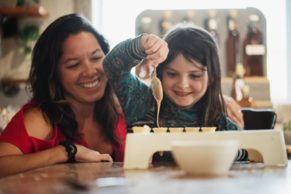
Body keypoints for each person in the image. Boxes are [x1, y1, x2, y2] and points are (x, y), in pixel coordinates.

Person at [0, 14, 127, 177]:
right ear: (53, 74)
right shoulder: (41, 119)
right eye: (74, 65)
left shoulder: (119, 110)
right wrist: (66, 152)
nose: (90, 71)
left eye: (96, 58)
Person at [104, 24, 241, 131]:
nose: (183, 84)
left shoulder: (219, 122)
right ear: (161, 73)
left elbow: (246, 152)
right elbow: (112, 66)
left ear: (211, 77)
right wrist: (141, 44)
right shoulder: (141, 101)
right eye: (172, 74)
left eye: (195, 75)